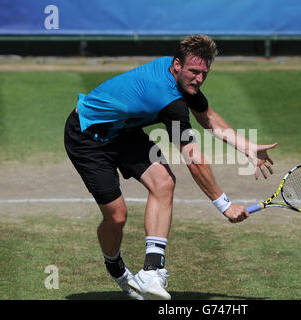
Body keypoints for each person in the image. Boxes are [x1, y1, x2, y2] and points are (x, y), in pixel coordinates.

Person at [64, 34, 277, 300]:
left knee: (164, 182)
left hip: (123, 133)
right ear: (176, 65)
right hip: (87, 137)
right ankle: (116, 267)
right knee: (117, 216)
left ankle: (151, 271)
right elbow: (195, 161)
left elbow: (208, 118)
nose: (198, 79)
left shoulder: (182, 81)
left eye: (204, 73)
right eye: (193, 72)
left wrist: (246, 146)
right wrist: (224, 205)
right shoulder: (169, 101)